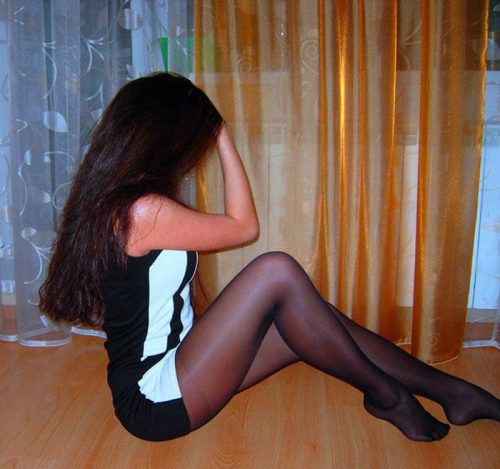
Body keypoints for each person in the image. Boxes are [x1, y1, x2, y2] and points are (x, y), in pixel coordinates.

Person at [39, 72, 500, 443]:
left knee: (311, 318)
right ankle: (389, 397)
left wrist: (214, 127)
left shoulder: (122, 199)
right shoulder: (143, 211)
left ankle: (453, 392)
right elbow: (245, 227)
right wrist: (221, 132)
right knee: (276, 270)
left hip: (181, 357)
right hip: (155, 398)